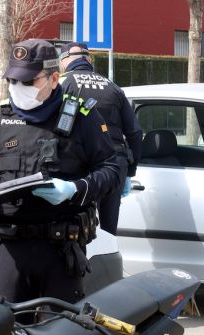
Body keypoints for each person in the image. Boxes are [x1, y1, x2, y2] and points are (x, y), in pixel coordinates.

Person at [0, 39, 124, 307]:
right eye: (13, 81)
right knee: (9, 331)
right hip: (11, 246)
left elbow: (111, 169)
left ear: (54, 79)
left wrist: (75, 189)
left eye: (28, 82)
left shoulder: (82, 117)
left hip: (62, 247)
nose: (18, 88)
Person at [58, 42, 143, 235]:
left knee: (74, 227)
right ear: (89, 60)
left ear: (64, 62)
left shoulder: (63, 83)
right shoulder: (113, 87)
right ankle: (106, 263)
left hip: (78, 162)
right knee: (108, 231)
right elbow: (136, 133)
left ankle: (80, 263)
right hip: (114, 163)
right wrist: (129, 171)